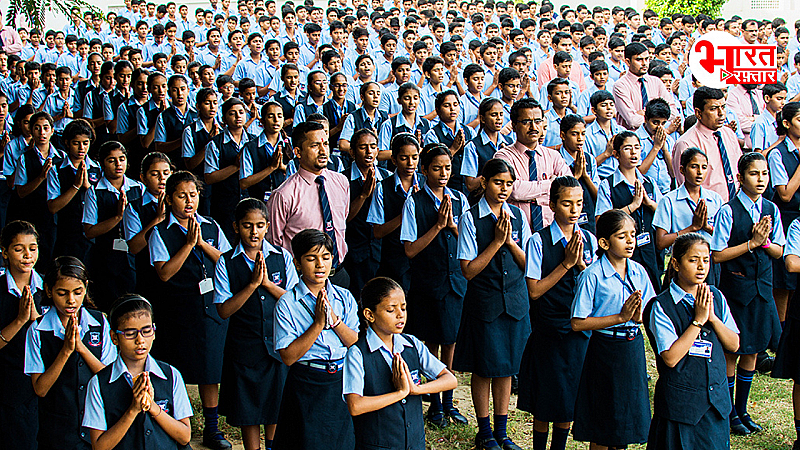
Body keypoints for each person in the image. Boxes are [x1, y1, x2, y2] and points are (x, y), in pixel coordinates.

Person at [147, 170, 232, 449]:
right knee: (177, 366)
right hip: (176, 307)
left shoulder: (210, 225)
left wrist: (201, 243)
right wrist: (187, 246)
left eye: (193, 195)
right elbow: (164, 273)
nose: (188, 201)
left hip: (209, 307)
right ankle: (178, 425)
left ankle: (211, 428)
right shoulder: (160, 231)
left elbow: (225, 260)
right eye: (181, 196)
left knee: (210, 368)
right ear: (169, 199)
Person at [455, 158, 531, 450]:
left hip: (514, 300)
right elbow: (469, 270)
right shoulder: (470, 217)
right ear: (484, 182)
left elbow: (528, 265)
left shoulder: (518, 216)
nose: (504, 189)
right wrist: (496, 243)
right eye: (498, 182)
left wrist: (510, 243)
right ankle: (484, 430)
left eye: (509, 183)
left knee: (507, 367)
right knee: (484, 367)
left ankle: (502, 430)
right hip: (484, 301)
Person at [710, 152, 785, 436]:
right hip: (737, 289)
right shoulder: (729, 211)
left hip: (762, 288)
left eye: (765, 174)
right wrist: (750, 244)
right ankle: (728, 412)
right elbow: (717, 254)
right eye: (754, 174)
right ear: (740, 178)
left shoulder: (771, 209)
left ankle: (742, 409)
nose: (761, 179)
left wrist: (763, 244)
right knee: (734, 350)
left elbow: (778, 250)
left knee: (753, 350)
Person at [214, 198, 298, 450]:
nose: (254, 232)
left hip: (277, 346)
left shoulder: (281, 256)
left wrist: (267, 285)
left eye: (260, 225)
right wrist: (251, 285)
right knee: (248, 409)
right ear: (236, 227)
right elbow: (223, 310)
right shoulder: (226, 262)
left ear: (268, 226)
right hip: (244, 348)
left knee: (275, 406)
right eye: (247, 225)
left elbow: (294, 300)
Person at [520, 176, 596, 450]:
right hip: (549, 330)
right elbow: (535, 291)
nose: (574, 210)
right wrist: (566, 264)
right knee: (546, 399)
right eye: (566, 203)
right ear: (552, 205)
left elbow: (595, 285)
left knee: (568, 398)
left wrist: (582, 267)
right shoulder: (538, 241)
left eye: (579, 203)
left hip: (578, 330)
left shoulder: (588, 239)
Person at [644, 233, 740, 450]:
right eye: (693, 260)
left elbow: (734, 344)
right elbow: (670, 357)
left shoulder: (715, 297)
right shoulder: (661, 305)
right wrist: (697, 321)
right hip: (681, 407)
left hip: (715, 404)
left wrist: (712, 318)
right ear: (676, 264)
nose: (701, 267)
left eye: (706, 260)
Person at [570, 209, 655, 449]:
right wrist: (619, 317)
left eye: (633, 235)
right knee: (603, 420)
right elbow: (578, 322)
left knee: (626, 417)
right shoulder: (592, 275)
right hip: (604, 350)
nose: (630, 241)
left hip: (632, 347)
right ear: (605, 242)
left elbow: (649, 312)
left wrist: (637, 317)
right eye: (622, 236)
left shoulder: (639, 271)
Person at [343, 276, 458, 449]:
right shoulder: (358, 353)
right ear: (369, 314)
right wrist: (400, 393)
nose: (400, 315)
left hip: (414, 442)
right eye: (391, 310)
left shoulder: (412, 344)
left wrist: (416, 389)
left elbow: (450, 379)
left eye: (403, 308)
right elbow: (355, 405)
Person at [400, 143, 469, 427]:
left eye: (448, 168)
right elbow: (410, 250)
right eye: (437, 168)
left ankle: (449, 400)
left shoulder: (460, 199)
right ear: (425, 170)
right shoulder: (413, 202)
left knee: (451, 341)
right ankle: (435, 404)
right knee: (430, 343)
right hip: (428, 282)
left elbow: (468, 240)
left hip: (455, 280)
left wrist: (452, 227)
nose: (443, 173)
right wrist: (438, 227)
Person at [272, 229, 359, 450]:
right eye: (311, 258)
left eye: (325, 257)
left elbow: (356, 344)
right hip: (306, 382)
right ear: (298, 264)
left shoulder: (344, 297)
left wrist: (335, 321)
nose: (320, 264)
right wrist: (318, 324)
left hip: (341, 379)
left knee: (341, 442)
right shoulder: (287, 303)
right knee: (304, 441)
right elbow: (288, 357)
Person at [24, 256, 117, 450]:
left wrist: (81, 348)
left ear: (85, 287)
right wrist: (66, 351)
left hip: (97, 427)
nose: (71, 300)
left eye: (77, 292)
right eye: (62, 293)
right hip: (58, 432)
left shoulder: (100, 323)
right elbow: (40, 389)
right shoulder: (38, 330)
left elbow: (110, 378)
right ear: (49, 290)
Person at [82, 294, 193, 449]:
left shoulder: (171, 375)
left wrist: (152, 407)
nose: (140, 340)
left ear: (154, 332)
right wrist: (133, 410)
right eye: (130, 333)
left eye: (146, 331)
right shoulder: (98, 384)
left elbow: (185, 436)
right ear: (114, 337)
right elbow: (99, 446)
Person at [266, 120, 351, 288]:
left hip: (338, 275)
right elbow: (274, 244)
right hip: (302, 280)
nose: (323, 150)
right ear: (298, 152)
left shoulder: (341, 182)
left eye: (325, 144)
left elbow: (342, 221)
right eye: (314, 146)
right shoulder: (284, 195)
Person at [596, 131, 663, 290]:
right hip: (621, 253)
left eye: (637, 148)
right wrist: (632, 206)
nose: (634, 152)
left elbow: (665, 215)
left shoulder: (649, 182)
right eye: (627, 148)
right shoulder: (608, 185)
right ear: (616, 154)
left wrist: (649, 204)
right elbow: (601, 221)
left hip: (650, 249)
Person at [82, 140, 143, 312]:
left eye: (122, 159)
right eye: (111, 160)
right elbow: (89, 231)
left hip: (133, 258)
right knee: (108, 304)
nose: (118, 164)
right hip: (105, 258)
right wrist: (118, 217)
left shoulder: (138, 187)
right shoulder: (94, 192)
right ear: (101, 163)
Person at [495, 98, 571, 232]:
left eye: (538, 121)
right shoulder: (503, 156)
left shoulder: (553, 156)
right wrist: (550, 184)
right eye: (526, 122)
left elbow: (568, 190)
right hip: (515, 231)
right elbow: (515, 191)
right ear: (513, 125)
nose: (534, 127)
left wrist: (531, 195)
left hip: (551, 231)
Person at [0, 221, 43, 450]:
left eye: (33, 248)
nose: (27, 255)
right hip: (8, 380)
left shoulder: (48, 286)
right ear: (5, 252)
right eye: (19, 249)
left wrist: (36, 319)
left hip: (41, 380)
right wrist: (19, 321)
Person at [653, 147, 723, 283]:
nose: (699, 172)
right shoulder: (669, 201)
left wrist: (707, 227)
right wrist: (692, 228)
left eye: (703, 167)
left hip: (709, 264)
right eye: (694, 167)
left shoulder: (715, 199)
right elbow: (660, 242)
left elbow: (725, 237)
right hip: (682, 264)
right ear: (682, 170)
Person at [8, 111, 64, 271]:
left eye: (46, 128)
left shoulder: (61, 156)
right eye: (37, 128)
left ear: (52, 130)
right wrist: (40, 177)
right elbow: (21, 192)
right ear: (31, 131)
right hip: (32, 214)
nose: (42, 133)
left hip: (54, 216)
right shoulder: (25, 158)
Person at [367, 132, 422, 293]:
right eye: (404, 158)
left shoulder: (426, 184)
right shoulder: (383, 188)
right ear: (394, 159)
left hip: (423, 261)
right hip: (394, 262)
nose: (410, 163)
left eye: (415, 157)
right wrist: (405, 213)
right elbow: (378, 232)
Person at [673, 87, 743, 203]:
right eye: (714, 109)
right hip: (709, 210)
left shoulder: (728, 134)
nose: (721, 113)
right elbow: (688, 190)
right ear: (698, 113)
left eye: (723, 107)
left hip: (735, 206)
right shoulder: (687, 143)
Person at [343, 129, 389, 297]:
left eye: (373, 146)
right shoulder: (342, 179)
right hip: (355, 251)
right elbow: (343, 219)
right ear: (352, 152)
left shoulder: (387, 177)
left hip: (382, 251)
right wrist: (363, 195)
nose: (369, 151)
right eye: (363, 147)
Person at [47, 119, 101, 263]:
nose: (81, 148)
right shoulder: (57, 170)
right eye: (76, 143)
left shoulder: (98, 168)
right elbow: (52, 207)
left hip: (93, 236)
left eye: (85, 143)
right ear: (67, 143)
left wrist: (87, 186)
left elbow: (104, 201)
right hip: (67, 234)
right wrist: (75, 186)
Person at [123, 151, 173, 300]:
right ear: (143, 178)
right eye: (154, 174)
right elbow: (133, 247)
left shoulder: (182, 202)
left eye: (166, 173)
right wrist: (157, 219)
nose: (162, 178)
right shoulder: (134, 208)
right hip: (149, 274)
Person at [205, 98, 254, 242]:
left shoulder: (253, 141)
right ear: (224, 118)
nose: (238, 116)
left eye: (241, 112)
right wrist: (235, 166)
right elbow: (209, 177)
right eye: (232, 113)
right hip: (224, 204)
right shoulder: (215, 144)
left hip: (249, 201)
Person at [769, 102, 800, 325]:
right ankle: (780, 330)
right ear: (787, 124)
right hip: (787, 218)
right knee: (784, 279)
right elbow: (785, 193)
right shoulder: (778, 154)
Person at [612, 42, 679, 131]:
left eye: (646, 59)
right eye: (639, 60)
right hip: (633, 138)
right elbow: (632, 121)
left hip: (657, 135)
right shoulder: (621, 86)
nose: (644, 63)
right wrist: (658, 117)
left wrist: (643, 114)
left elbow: (673, 112)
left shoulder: (656, 81)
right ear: (628, 62)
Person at [461, 98, 514, 200]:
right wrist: (495, 167)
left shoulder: (509, 143)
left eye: (501, 114)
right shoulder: (473, 146)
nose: (499, 118)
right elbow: (470, 185)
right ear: (483, 118)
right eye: (494, 115)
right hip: (481, 200)